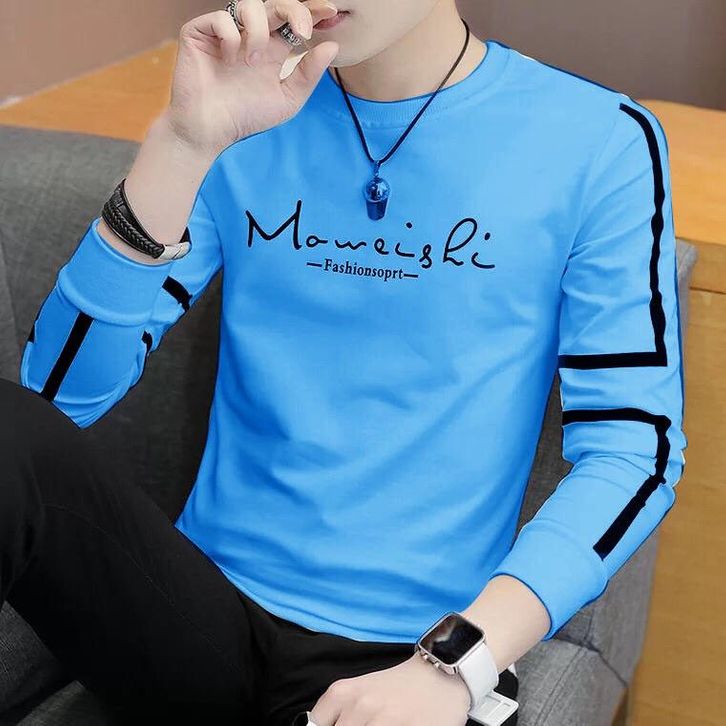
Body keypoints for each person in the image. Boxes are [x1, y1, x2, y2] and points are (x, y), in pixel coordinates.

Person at [0, 0, 687, 723]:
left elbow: (632, 452)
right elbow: (57, 402)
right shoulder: (248, 110)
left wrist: (457, 663)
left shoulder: (598, 139)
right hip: (194, 611)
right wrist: (182, 141)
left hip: (403, 655)